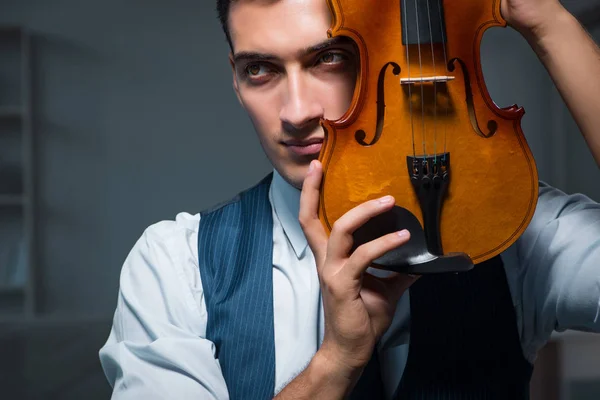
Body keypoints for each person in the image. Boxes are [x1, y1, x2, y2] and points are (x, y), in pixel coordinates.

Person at [99, 0, 600, 398]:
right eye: (260, 70)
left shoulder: (509, 231)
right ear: (235, 76)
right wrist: (337, 361)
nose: (296, 112)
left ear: (383, 49)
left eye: (329, 58)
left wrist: (547, 22)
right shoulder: (173, 264)